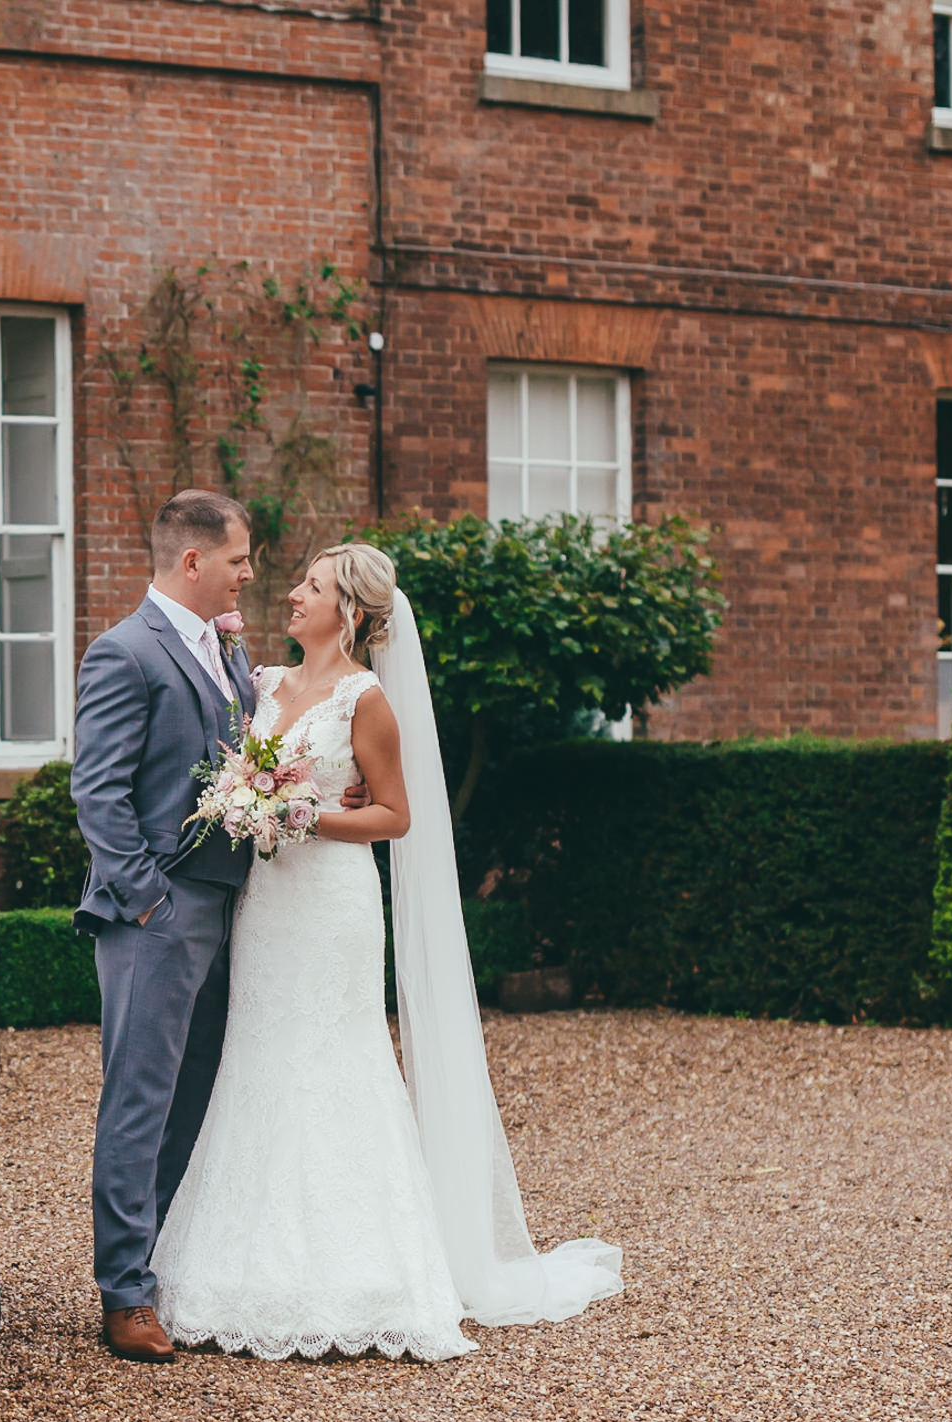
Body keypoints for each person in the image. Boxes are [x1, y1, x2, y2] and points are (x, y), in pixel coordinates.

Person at [151, 543, 623, 1360]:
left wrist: (305, 815)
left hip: (333, 902)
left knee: (339, 1059)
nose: (293, 594)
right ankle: (239, 1271)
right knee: (258, 1052)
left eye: (312, 586)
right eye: (298, 581)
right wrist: (246, 800)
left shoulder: (366, 700)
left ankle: (367, 1274)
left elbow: (396, 815)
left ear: (354, 613)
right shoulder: (259, 684)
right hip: (269, 906)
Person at [72, 489, 280, 1362]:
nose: (249, 573)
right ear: (191, 561)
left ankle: (160, 1262)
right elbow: (99, 791)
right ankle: (123, 1292)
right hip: (157, 913)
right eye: (238, 559)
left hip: (232, 909)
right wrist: (149, 900)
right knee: (140, 1098)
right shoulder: (125, 652)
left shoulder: (228, 654)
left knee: (197, 1091)